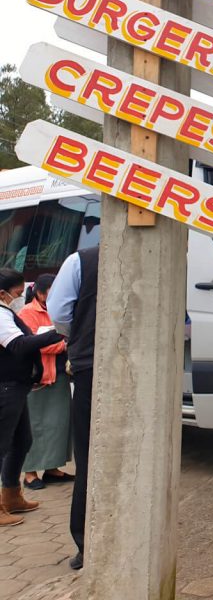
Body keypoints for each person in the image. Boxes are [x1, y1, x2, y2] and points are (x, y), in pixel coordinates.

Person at [0, 268, 64, 527]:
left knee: (22, 440)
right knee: (2, 444)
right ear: (3, 294)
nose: (20, 297)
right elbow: (18, 345)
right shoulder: (2, 315)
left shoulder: (7, 312)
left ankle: (12, 495)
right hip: (6, 387)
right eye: (17, 293)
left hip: (16, 385)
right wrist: (58, 332)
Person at [48, 245, 98, 571]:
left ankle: (86, 544)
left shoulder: (81, 260)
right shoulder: (169, 252)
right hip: (146, 367)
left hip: (91, 365)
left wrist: (81, 334)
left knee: (89, 453)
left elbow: (60, 315)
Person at [20, 274, 74, 490]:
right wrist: (62, 345)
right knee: (35, 426)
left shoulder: (61, 309)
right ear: (39, 292)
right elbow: (32, 344)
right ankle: (30, 473)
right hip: (38, 377)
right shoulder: (27, 313)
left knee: (58, 424)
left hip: (59, 374)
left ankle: (52, 469)